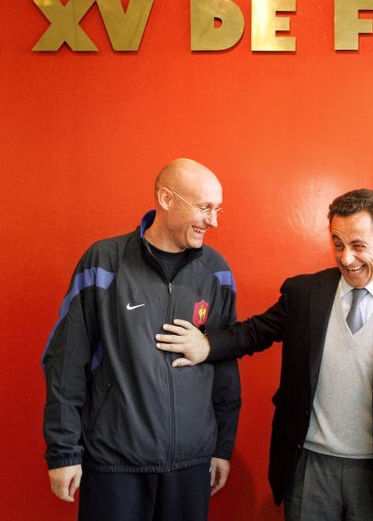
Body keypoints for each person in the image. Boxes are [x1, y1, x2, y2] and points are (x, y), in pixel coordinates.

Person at [156, 189, 373, 521]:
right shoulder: (305, 293)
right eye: (338, 244)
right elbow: (253, 333)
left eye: (359, 246)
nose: (346, 258)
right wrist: (207, 345)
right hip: (309, 466)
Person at [41, 158, 241, 521]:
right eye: (204, 208)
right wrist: (63, 451)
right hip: (115, 464)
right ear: (166, 199)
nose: (213, 221)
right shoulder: (103, 261)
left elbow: (224, 364)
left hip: (191, 466)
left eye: (218, 209)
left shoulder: (217, 271)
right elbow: (66, 361)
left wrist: (222, 447)